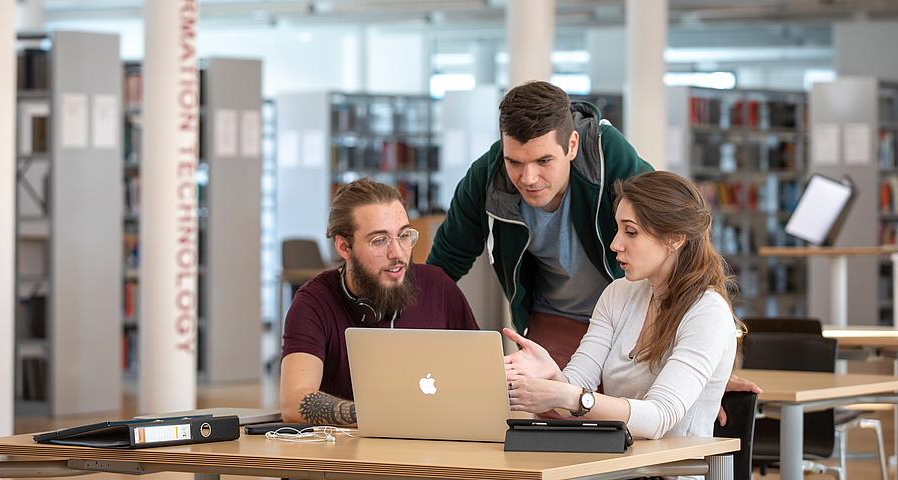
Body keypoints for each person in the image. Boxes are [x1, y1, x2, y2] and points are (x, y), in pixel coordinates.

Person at [426, 80, 653, 369]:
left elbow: (673, 234)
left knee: (636, 396)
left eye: (544, 161)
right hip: (556, 319)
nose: (528, 178)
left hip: (631, 314)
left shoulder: (609, 155)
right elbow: (443, 268)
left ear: (572, 145)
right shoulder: (486, 176)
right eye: (514, 162)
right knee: (535, 397)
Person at [503, 170, 741, 444]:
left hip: (677, 466)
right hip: (619, 461)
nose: (615, 244)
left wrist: (570, 396)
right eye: (617, 229)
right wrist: (552, 373)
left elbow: (659, 418)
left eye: (631, 232)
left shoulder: (708, 313)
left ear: (674, 239)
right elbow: (572, 396)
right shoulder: (618, 294)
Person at [279, 178, 479, 426]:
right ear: (344, 246)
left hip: (435, 441)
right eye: (379, 240)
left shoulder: (438, 287)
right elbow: (294, 402)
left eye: (403, 236)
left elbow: (481, 375)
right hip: (352, 449)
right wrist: (386, 415)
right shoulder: (314, 302)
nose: (398, 254)